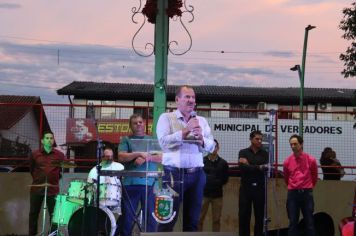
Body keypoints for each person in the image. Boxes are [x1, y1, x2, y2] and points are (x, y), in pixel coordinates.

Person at [156, 85, 215, 232]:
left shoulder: (201, 120)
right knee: (167, 219)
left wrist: (201, 139)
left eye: (193, 97)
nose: (191, 100)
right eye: (187, 97)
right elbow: (163, 143)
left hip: (197, 175)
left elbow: (211, 146)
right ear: (177, 100)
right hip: (172, 175)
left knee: (193, 222)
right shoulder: (166, 118)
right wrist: (186, 130)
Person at [118, 113, 162, 235]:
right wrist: (138, 154)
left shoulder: (152, 140)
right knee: (128, 217)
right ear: (130, 126)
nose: (138, 124)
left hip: (150, 184)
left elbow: (161, 157)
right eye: (135, 123)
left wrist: (146, 158)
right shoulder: (126, 140)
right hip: (130, 184)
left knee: (151, 216)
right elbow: (121, 156)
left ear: (144, 124)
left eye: (140, 122)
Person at [29, 131, 65, 236]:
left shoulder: (60, 155)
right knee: (33, 214)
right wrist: (39, 179)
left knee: (54, 215)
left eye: (51, 138)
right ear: (42, 141)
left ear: (53, 140)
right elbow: (31, 169)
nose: (49, 140)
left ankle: (52, 234)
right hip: (37, 188)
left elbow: (61, 171)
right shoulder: (35, 154)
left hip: (53, 189)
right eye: (47, 138)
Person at [283, 134, 318, 236]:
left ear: (301, 144)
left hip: (307, 194)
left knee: (309, 222)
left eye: (295, 144)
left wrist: (308, 186)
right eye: (291, 144)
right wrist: (293, 186)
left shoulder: (311, 160)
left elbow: (314, 176)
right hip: (293, 194)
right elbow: (286, 178)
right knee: (293, 222)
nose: (293, 146)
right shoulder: (287, 161)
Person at [238, 130, 269, 236]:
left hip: (259, 188)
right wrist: (258, 167)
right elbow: (242, 169)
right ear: (251, 139)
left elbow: (264, 168)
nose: (260, 141)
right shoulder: (243, 152)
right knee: (243, 216)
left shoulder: (265, 154)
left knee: (259, 216)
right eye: (257, 139)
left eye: (261, 139)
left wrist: (249, 165)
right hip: (246, 189)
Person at [198, 139, 229, 232]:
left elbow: (225, 179)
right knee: (199, 219)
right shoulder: (201, 161)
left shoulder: (223, 163)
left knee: (216, 220)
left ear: (218, 148)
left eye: (215, 146)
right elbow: (198, 178)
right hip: (203, 195)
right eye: (211, 147)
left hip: (217, 196)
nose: (213, 149)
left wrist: (217, 183)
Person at [87, 146, 124, 212]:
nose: (110, 158)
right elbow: (90, 186)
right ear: (102, 157)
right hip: (99, 201)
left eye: (111, 156)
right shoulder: (94, 170)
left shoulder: (120, 167)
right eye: (107, 156)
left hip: (118, 200)